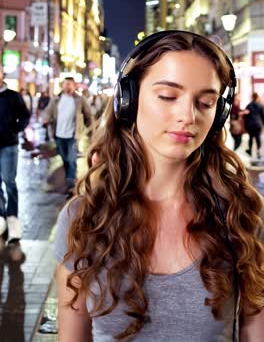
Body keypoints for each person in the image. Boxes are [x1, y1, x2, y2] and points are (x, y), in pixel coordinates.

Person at [54, 31, 264, 342]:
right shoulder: (83, 218)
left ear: (218, 114)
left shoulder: (241, 213)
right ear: (129, 100)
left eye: (206, 103)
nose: (188, 116)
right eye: (168, 96)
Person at [43, 77, 91, 196]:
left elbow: (88, 115)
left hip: (72, 136)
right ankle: (69, 180)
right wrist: (45, 119)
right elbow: (48, 111)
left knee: (71, 159)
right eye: (65, 84)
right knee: (64, 158)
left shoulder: (79, 100)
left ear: (74, 86)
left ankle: (71, 185)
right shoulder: (56, 99)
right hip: (58, 135)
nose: (67, 86)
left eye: (69, 84)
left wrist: (91, 132)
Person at [0, 66, 30, 243]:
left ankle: (12, 218)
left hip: (9, 146)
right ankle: (1, 217)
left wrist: (14, 129)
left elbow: (25, 116)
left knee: (9, 182)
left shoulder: (13, 96)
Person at [244, 92, 264, 158]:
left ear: (252, 97)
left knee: (251, 138)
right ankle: (258, 152)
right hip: (258, 124)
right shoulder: (260, 105)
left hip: (250, 124)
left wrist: (246, 125)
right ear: (257, 97)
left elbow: (245, 116)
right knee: (258, 138)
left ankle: (250, 151)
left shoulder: (248, 105)